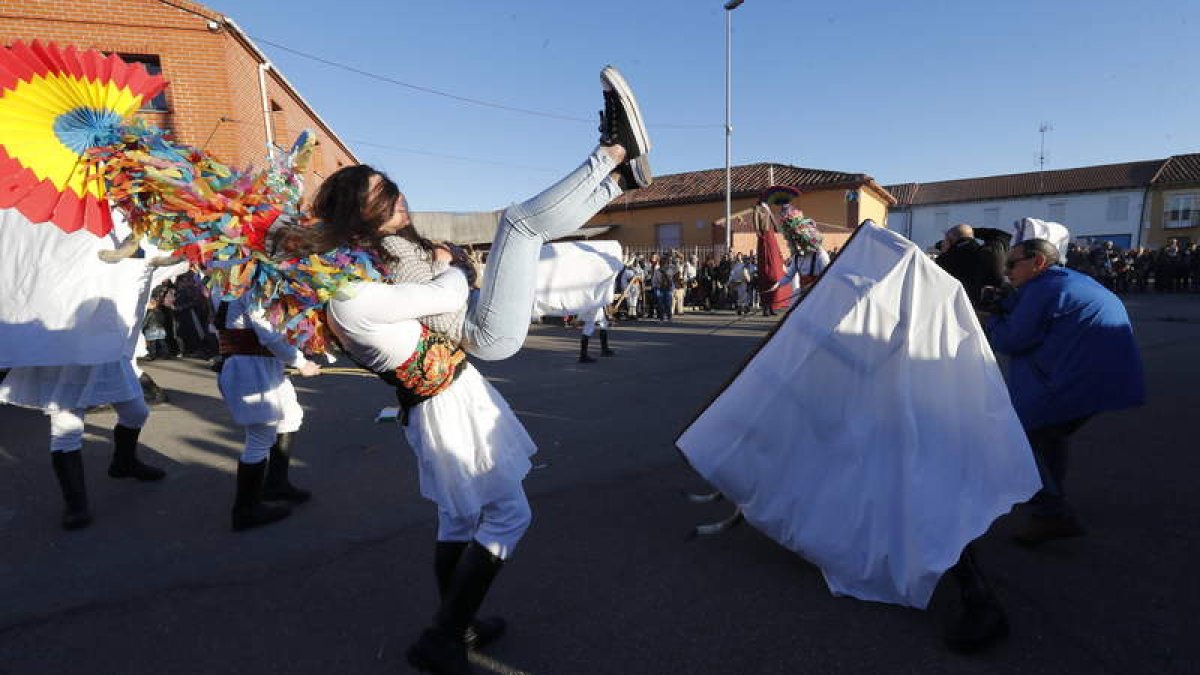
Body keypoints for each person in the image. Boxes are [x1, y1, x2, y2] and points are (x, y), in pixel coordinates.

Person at [320, 65, 651, 674]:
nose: (397, 200)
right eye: (382, 199)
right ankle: (612, 158)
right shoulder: (359, 280)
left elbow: (435, 292)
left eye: (392, 189)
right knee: (519, 225)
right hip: (456, 377)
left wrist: (443, 262)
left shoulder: (372, 260)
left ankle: (456, 626)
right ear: (357, 218)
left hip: (448, 390)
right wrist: (451, 266)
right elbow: (444, 295)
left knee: (459, 519)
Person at [984, 238, 1145, 547]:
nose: (1006, 272)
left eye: (1012, 263)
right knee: (1048, 436)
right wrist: (1006, 304)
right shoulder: (1067, 280)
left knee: (1016, 436)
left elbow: (1012, 340)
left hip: (1076, 379)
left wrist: (991, 320)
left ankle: (1051, 512)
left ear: (1038, 262)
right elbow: (1036, 311)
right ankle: (1051, 497)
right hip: (1106, 377)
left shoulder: (1043, 289)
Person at [213, 293, 321, 531]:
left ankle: (276, 483)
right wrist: (301, 363)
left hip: (261, 365)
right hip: (250, 369)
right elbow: (267, 334)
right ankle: (245, 510)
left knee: (291, 417)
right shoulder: (248, 283)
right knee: (261, 435)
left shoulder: (236, 278)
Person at [936, 224, 1004, 308]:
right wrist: (970, 232)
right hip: (987, 310)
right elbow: (1002, 235)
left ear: (950, 240)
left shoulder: (943, 261)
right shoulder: (989, 252)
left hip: (957, 310)